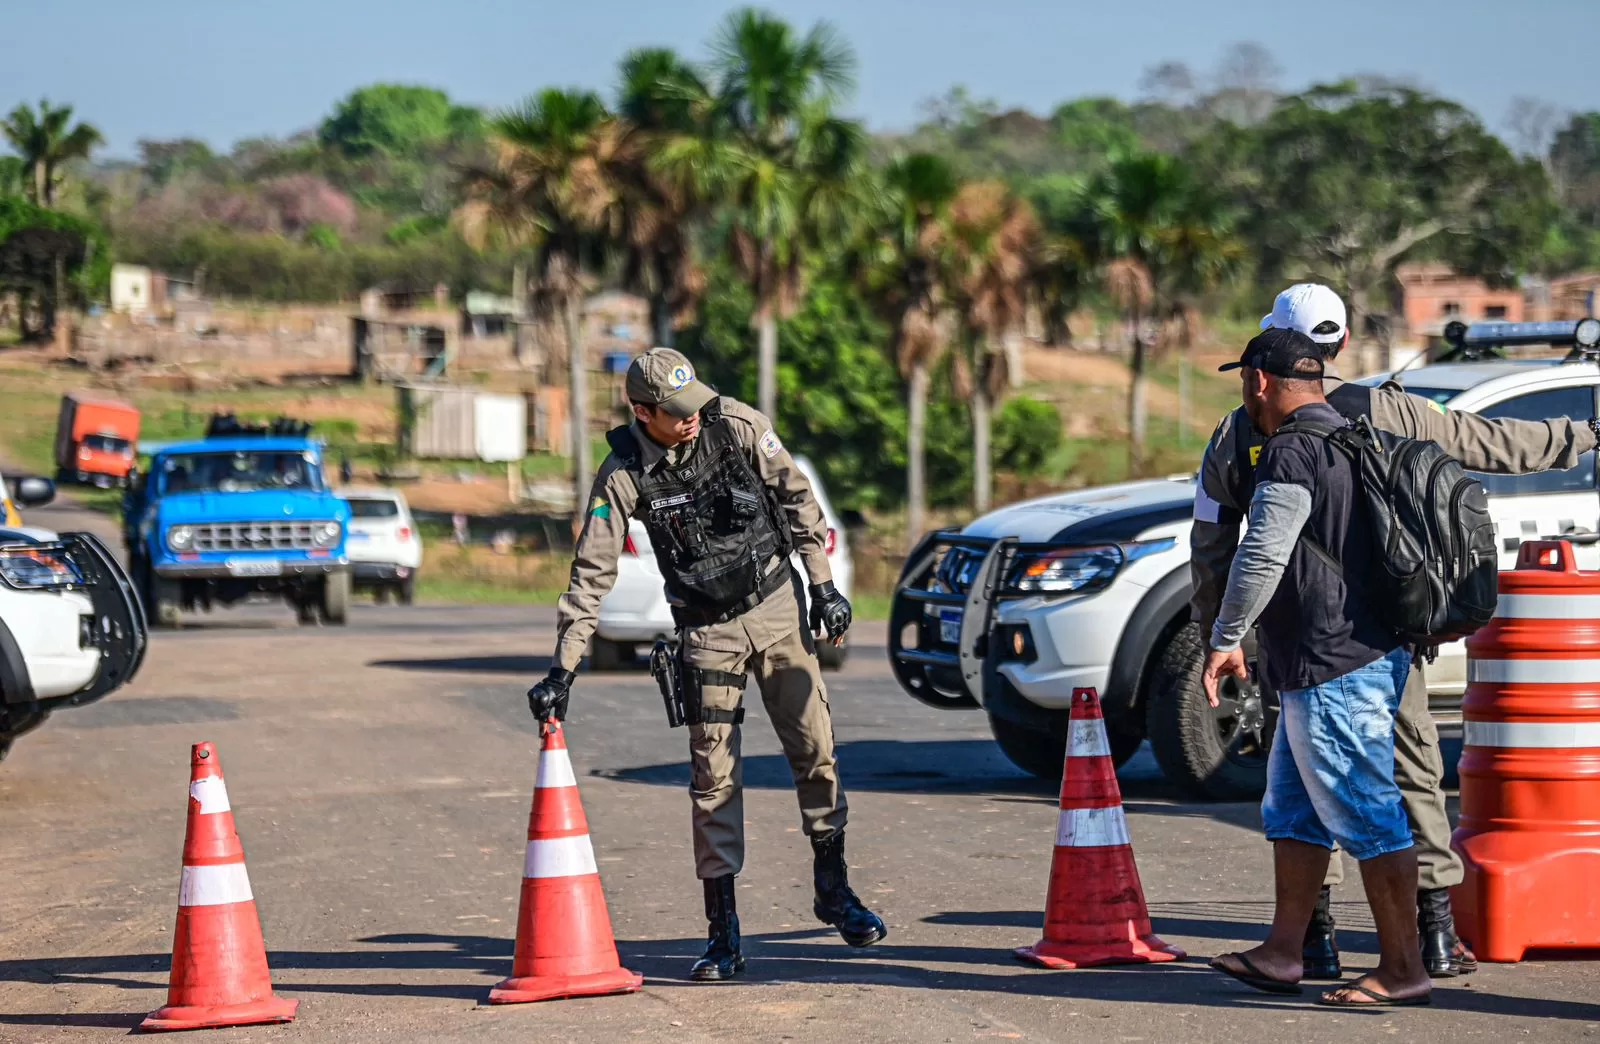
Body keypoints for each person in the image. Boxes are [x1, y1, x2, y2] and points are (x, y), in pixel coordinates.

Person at [1190, 283, 1599, 981]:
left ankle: (1335, 943)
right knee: (1404, 768)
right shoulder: (1389, 408)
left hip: (1315, 646)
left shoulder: (1241, 434)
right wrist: (1583, 435)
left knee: (1327, 788)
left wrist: (1222, 636)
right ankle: (1430, 933)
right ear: (1340, 345)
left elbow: (1216, 547)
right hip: (1393, 632)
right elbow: (1497, 445)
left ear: (1263, 368)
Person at [525, 347, 886, 982]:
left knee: (815, 753)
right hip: (706, 634)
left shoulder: (738, 425)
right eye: (674, 412)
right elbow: (590, 575)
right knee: (714, 782)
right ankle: (724, 936)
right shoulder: (623, 474)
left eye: (694, 405)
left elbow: (800, 502)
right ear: (642, 413)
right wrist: (564, 668)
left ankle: (835, 891)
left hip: (776, 610)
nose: (691, 419)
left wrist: (824, 584)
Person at [1201, 328, 1428, 1006]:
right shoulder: (1354, 436)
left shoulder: (1292, 450)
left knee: (1366, 812)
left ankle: (1403, 967)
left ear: (1260, 383)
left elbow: (1263, 554)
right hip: (1356, 655)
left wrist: (1224, 634)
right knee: (1294, 810)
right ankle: (1283, 952)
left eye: (1245, 382)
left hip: (1333, 664)